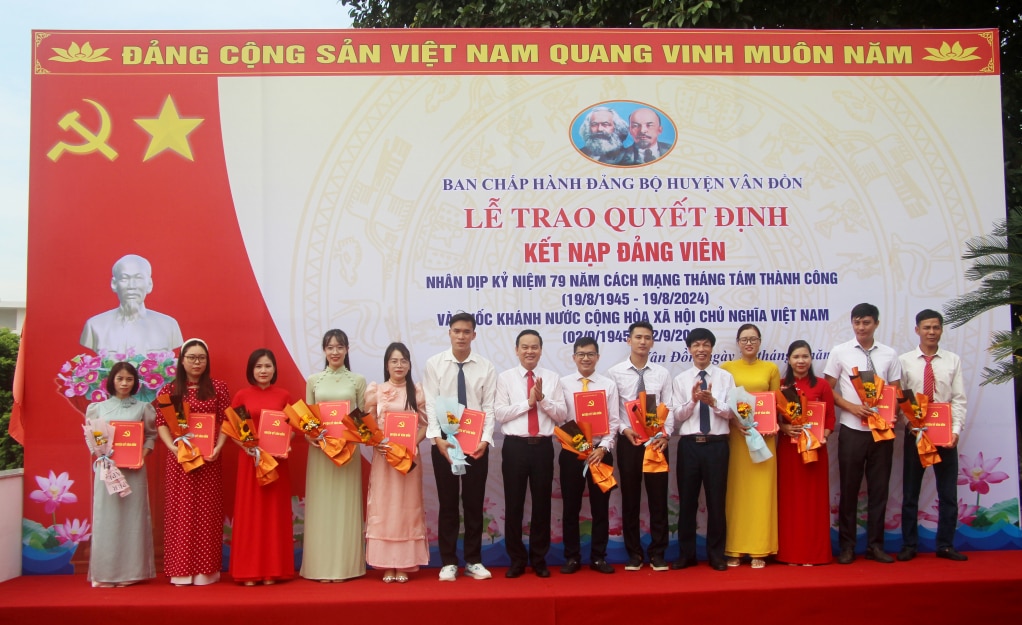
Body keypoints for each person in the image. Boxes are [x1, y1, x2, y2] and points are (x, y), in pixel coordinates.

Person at [824, 303, 902, 564]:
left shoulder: (890, 355)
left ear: (876, 324)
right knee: (849, 488)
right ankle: (847, 546)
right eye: (857, 322)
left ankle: (875, 546)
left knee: (879, 490)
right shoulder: (840, 352)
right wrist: (852, 407)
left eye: (866, 322)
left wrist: (890, 413)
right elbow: (828, 391)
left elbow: (896, 391)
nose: (861, 327)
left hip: (881, 432)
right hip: (852, 430)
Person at [423, 312, 497, 582]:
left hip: (476, 441)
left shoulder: (486, 367)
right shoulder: (435, 364)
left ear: (474, 335)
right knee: (448, 503)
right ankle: (449, 562)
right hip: (445, 440)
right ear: (449, 333)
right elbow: (431, 403)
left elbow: (488, 407)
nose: (462, 336)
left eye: (467, 332)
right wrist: (436, 439)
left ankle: (474, 561)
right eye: (457, 331)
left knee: (474, 503)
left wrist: (485, 441)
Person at [155, 338, 230, 586]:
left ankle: (206, 571)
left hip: (209, 460)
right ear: (182, 360)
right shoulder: (170, 390)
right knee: (181, 513)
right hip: (181, 462)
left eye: (201, 358)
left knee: (206, 513)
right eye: (192, 358)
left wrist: (219, 447)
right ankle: (181, 570)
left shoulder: (218, 388)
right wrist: (173, 448)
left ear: (207, 361)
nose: (197, 362)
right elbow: (162, 425)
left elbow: (226, 422)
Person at [898, 310, 969, 562]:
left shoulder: (953, 360)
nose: (931, 332)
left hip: (945, 436)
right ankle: (909, 545)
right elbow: (901, 398)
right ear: (917, 330)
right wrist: (911, 424)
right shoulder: (904, 361)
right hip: (915, 434)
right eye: (926, 327)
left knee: (948, 493)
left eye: (935, 327)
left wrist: (955, 431)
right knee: (910, 493)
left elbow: (959, 399)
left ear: (941, 330)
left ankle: (946, 545)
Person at [495, 329, 567, 578]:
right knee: (513, 504)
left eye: (534, 347)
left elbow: (561, 415)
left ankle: (539, 559)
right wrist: (528, 402)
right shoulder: (504, 378)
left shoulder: (552, 378)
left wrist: (542, 398)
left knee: (542, 505)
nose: (529, 351)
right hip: (515, 447)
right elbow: (500, 414)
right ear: (516, 350)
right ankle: (516, 559)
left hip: (543, 448)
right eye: (524, 347)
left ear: (541, 350)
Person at [607, 321, 673, 571]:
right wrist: (625, 430)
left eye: (647, 337)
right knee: (630, 499)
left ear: (652, 342)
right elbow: (613, 411)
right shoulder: (615, 373)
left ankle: (658, 553)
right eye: (638, 337)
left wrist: (665, 434)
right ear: (629, 340)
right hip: (629, 442)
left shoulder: (662, 373)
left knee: (658, 499)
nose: (642, 342)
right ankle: (634, 553)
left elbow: (671, 406)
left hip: (656, 444)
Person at [301, 329, 367, 581]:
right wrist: (310, 434)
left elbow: (362, 417)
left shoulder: (357, 380)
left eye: (340, 347)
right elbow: (307, 418)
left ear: (347, 349)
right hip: (320, 453)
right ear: (324, 351)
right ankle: (319, 567)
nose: (335, 352)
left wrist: (358, 434)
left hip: (348, 453)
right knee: (322, 507)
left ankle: (345, 568)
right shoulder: (313, 380)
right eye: (330, 347)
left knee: (344, 507)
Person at [86, 362, 157, 587]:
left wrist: (141, 456)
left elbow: (150, 436)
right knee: (107, 519)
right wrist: (101, 453)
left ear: (135, 382)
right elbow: (94, 437)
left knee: (133, 520)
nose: (124, 383)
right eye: (120, 379)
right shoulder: (98, 409)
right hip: (107, 471)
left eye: (129, 379)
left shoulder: (143, 408)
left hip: (134, 472)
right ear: (112, 381)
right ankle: (104, 574)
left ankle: (132, 573)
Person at [364, 342, 430, 583]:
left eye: (403, 360)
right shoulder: (377, 391)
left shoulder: (417, 391)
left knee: (406, 507)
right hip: (383, 460)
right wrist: (375, 441)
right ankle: (385, 564)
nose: (399, 365)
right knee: (384, 507)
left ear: (410, 364)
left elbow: (426, 424)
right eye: (394, 361)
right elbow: (367, 425)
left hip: (408, 460)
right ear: (386, 365)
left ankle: (403, 563)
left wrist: (413, 443)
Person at [229, 349, 295, 585]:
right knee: (251, 514)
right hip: (251, 461)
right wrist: (246, 447)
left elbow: (293, 428)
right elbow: (232, 428)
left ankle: (273, 571)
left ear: (274, 369)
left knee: (273, 515)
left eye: (267, 366)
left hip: (276, 462)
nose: (263, 370)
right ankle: (249, 571)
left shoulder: (284, 396)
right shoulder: (242, 396)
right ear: (251, 370)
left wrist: (285, 443)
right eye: (258, 366)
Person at [671, 328, 736, 571]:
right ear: (689, 349)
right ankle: (686, 554)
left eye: (706, 344)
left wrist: (714, 403)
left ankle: (716, 555)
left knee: (716, 502)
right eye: (696, 345)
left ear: (712, 348)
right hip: (689, 446)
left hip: (717, 446)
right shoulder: (681, 379)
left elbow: (732, 412)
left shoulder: (725, 377)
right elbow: (677, 416)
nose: (701, 349)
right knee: (687, 501)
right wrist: (694, 401)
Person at [720, 324, 780, 569]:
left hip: (765, 439)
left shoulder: (771, 368)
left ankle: (760, 549)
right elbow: (724, 403)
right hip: (737, 438)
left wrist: (772, 425)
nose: (749, 343)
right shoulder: (727, 369)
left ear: (759, 341)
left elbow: (778, 403)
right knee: (736, 493)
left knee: (762, 495)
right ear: (737, 342)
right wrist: (736, 420)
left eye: (753, 339)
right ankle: (734, 548)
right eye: (744, 339)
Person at [558, 337, 619, 575]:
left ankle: (598, 557)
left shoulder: (608, 385)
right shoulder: (562, 384)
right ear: (573, 357)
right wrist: (580, 446)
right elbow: (560, 418)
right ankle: (572, 557)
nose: (586, 358)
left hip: (600, 454)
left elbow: (613, 422)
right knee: (570, 508)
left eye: (590, 354)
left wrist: (602, 448)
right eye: (581, 354)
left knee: (600, 508)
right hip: (572, 454)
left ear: (598, 357)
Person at [776, 340, 835, 565]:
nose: (801, 361)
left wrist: (823, 435)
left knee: (813, 502)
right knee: (790, 502)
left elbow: (830, 418)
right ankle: (790, 554)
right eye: (796, 357)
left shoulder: (822, 386)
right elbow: (771, 418)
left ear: (811, 359)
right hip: (789, 451)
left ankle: (814, 554)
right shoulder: (780, 386)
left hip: (815, 451)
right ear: (789, 360)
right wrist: (784, 427)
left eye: (805, 356)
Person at [80, 254, 182, 354]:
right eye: (124, 278)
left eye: (138, 278)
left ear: (149, 284)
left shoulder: (169, 325)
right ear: (114, 284)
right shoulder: (95, 326)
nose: (131, 286)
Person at [604, 107, 672, 166]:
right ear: (630, 130)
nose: (642, 130)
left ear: (659, 130)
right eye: (636, 126)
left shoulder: (672, 152)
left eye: (649, 125)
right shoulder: (618, 158)